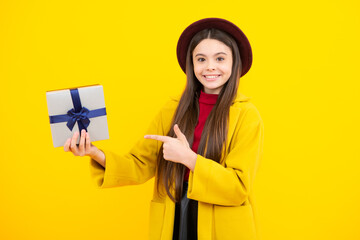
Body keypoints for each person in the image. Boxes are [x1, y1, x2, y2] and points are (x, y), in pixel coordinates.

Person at [64, 18, 264, 240]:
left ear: (234, 63)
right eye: (201, 59)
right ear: (191, 64)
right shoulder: (172, 110)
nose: (210, 67)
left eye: (220, 58)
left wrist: (189, 159)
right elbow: (139, 164)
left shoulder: (246, 115)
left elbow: (239, 187)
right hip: (175, 215)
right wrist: (94, 152)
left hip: (223, 224)